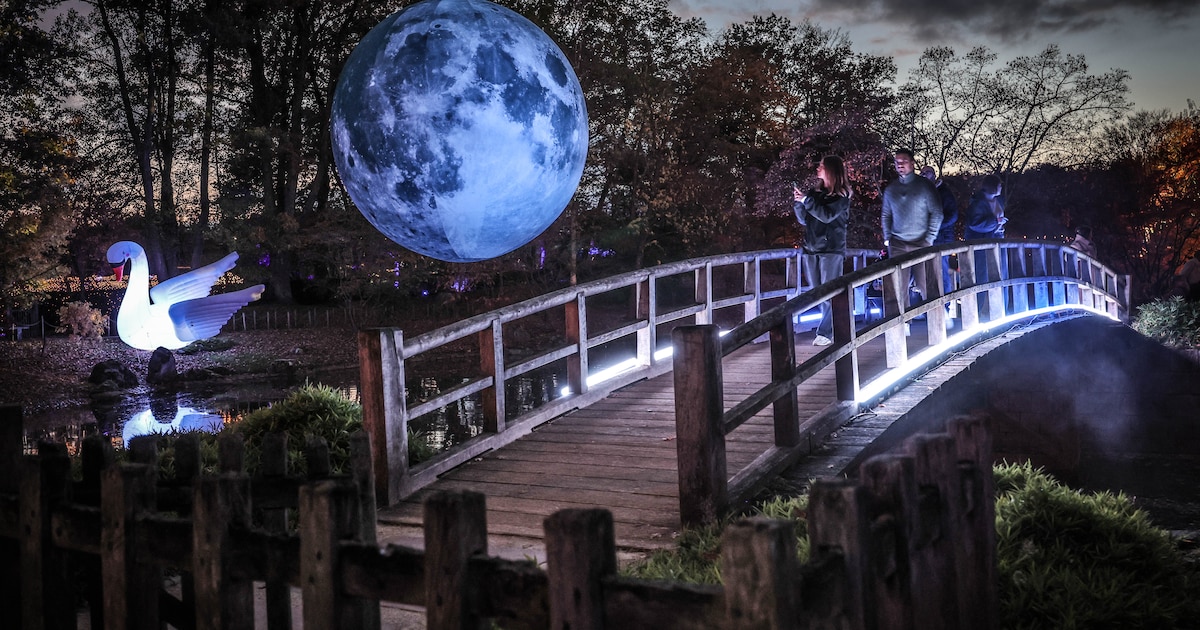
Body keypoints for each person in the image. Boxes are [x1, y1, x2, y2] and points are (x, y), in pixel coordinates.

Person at [794, 155, 852, 346]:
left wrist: (807, 201)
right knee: (817, 292)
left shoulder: (841, 197)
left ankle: (826, 332)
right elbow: (805, 219)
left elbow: (826, 216)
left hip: (831, 250)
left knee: (829, 291)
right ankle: (831, 327)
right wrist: (799, 203)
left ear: (831, 170)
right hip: (811, 248)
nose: (818, 168)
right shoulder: (815, 193)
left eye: (821, 166)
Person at [881, 148, 942, 308]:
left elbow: (937, 212)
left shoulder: (924, 186)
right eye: (897, 162)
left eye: (904, 161)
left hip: (921, 242)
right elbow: (886, 214)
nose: (900, 165)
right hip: (898, 244)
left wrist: (929, 238)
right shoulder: (891, 189)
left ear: (912, 163)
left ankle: (938, 315)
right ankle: (903, 320)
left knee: (927, 284)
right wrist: (888, 238)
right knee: (898, 288)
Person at [921, 165, 959, 296]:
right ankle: (932, 302)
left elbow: (953, 215)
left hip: (941, 238)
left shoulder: (943, 193)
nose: (923, 176)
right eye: (921, 173)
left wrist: (935, 226)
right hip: (928, 239)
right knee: (929, 272)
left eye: (926, 173)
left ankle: (944, 304)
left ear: (934, 175)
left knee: (941, 271)